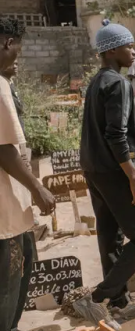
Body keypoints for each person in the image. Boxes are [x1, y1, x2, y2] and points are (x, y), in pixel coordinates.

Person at [76, 22, 135, 327]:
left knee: (110, 235)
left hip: (95, 169)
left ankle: (119, 303)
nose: (133, 51)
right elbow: (116, 135)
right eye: (128, 46)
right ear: (111, 51)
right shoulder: (118, 83)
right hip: (114, 170)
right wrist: (134, 175)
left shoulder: (97, 82)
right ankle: (97, 297)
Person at [0, 17, 56, 331]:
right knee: (9, 293)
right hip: (4, 215)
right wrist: (37, 187)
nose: (17, 56)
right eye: (17, 49)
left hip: (11, 212)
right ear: (8, 43)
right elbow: (4, 148)